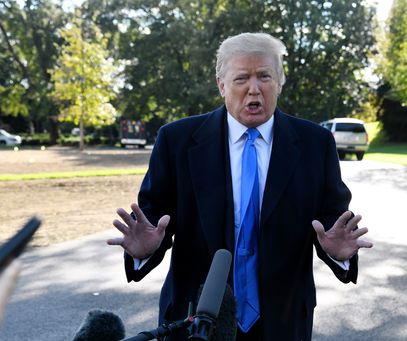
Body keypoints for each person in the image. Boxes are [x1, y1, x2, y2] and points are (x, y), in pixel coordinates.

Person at [108, 32, 373, 341]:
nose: (254, 89)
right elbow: (153, 220)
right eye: (241, 79)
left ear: (280, 82)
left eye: (264, 76)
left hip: (283, 322)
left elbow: (331, 219)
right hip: (196, 321)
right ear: (221, 85)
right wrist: (144, 251)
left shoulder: (316, 144)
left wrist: (339, 253)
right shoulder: (176, 140)